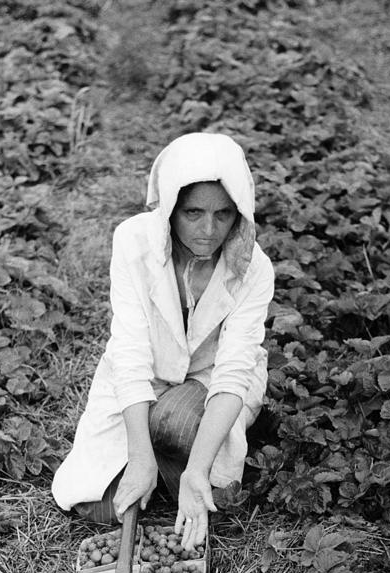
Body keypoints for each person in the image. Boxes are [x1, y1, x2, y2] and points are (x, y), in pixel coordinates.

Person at [51, 132, 275, 550]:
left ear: (240, 214)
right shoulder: (134, 243)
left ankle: (183, 458)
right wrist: (138, 455)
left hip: (209, 383)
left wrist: (197, 471)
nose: (209, 230)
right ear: (169, 208)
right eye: (193, 213)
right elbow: (131, 350)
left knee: (177, 429)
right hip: (146, 377)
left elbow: (233, 372)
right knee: (96, 505)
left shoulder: (253, 268)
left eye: (224, 214)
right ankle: (158, 455)